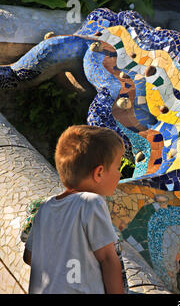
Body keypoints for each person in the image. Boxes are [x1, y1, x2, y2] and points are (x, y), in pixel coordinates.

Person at [23, 125, 125, 294]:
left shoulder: (45, 207)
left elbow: (29, 257)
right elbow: (108, 259)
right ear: (99, 173)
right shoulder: (91, 202)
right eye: (118, 167)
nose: (119, 174)